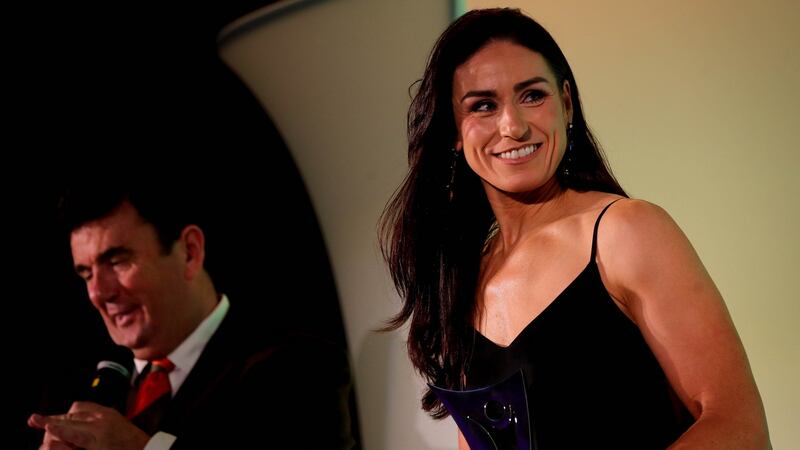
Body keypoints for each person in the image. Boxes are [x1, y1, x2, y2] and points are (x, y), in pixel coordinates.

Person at [380, 8, 770, 449]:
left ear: (566, 104)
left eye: (532, 96)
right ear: (454, 130)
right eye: (483, 106)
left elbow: (740, 428)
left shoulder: (625, 231)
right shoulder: (464, 277)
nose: (513, 126)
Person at [28, 184, 355, 449]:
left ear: (189, 252)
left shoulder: (299, 369)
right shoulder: (69, 385)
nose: (99, 293)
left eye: (117, 261)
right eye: (86, 274)